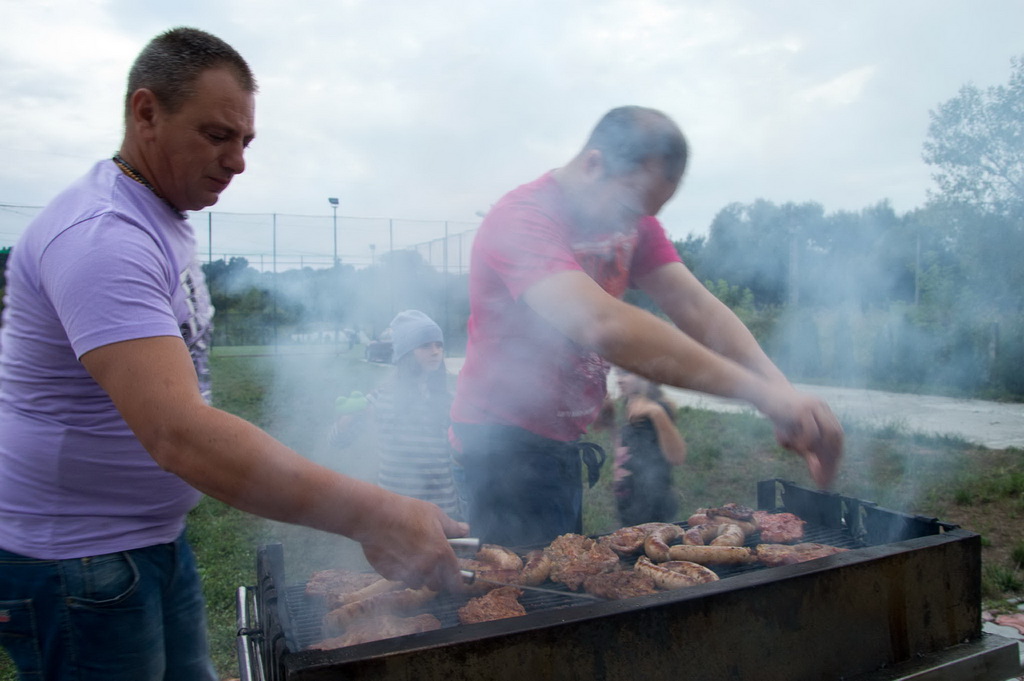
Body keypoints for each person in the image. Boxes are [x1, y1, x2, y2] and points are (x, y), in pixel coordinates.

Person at [0, 27, 465, 681]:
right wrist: (377, 511)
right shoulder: (103, 237)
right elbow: (178, 432)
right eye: (218, 136)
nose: (239, 160)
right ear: (146, 113)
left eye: (245, 141)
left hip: (148, 539)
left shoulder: (161, 217)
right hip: (75, 561)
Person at [450, 105, 843, 547]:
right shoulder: (522, 218)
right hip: (499, 447)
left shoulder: (632, 219)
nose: (633, 225)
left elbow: (695, 306)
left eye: (646, 213)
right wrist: (762, 396)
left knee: (561, 577)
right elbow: (605, 325)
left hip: (560, 446)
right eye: (630, 205)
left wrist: (785, 395)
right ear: (594, 163)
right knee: (519, 597)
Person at [331, 310, 461, 518]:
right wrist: (346, 421)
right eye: (425, 345)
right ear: (406, 353)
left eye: (439, 345)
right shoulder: (381, 398)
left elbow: (462, 455)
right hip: (395, 514)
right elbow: (338, 441)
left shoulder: (449, 400)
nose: (436, 351)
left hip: (442, 512)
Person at [609, 368, 687, 526]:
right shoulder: (629, 402)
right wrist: (609, 423)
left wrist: (657, 413)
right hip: (629, 499)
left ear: (645, 376)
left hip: (652, 502)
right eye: (617, 373)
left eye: (626, 373)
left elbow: (677, 457)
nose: (619, 380)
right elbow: (631, 443)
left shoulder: (656, 407)